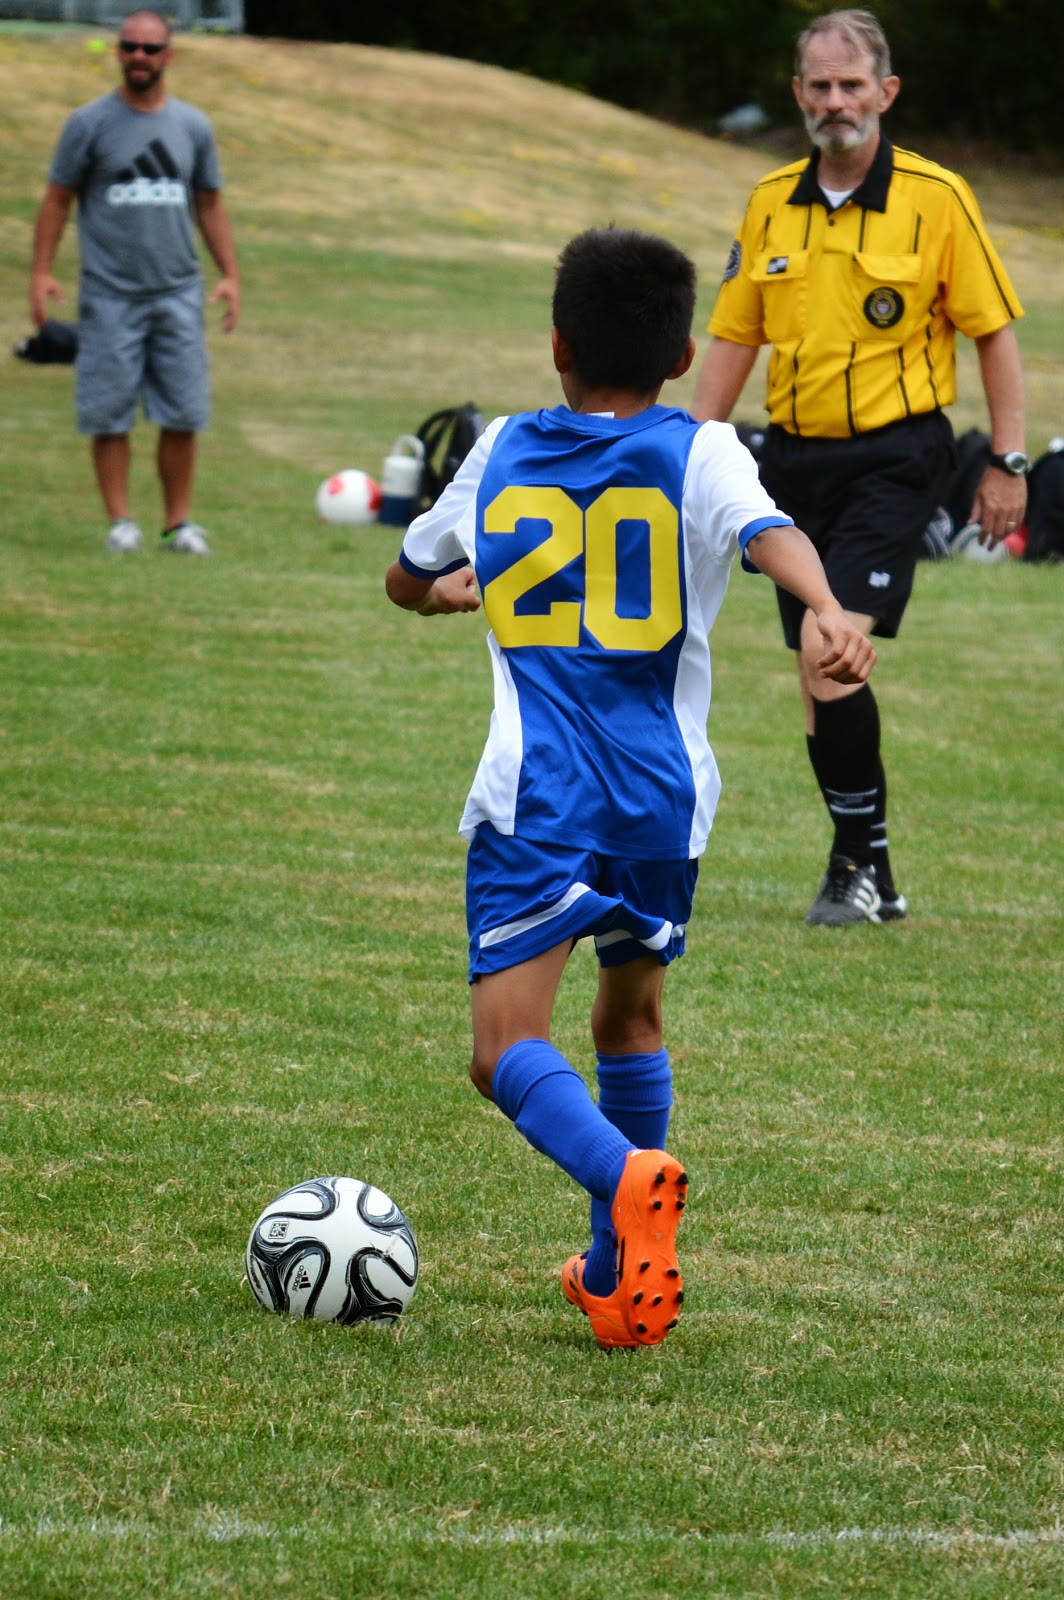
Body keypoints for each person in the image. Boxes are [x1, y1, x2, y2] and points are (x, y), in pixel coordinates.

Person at [385, 227, 875, 1350]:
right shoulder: (700, 449)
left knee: (503, 1047)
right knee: (628, 1012)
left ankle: (622, 1181)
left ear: (555, 341)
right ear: (680, 350)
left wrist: (449, 592)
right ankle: (615, 1279)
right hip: (662, 797)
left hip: (538, 796)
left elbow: (404, 576)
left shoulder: (501, 443)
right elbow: (769, 534)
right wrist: (826, 611)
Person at [690, 7, 1027, 926]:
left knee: (825, 650)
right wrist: (680, 453)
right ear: (798, 95)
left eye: (852, 85)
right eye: (819, 86)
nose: (836, 102)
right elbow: (731, 340)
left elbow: (993, 335)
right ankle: (871, 872)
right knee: (820, 675)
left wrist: (1008, 459)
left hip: (897, 456)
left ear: (887, 93)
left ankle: (856, 870)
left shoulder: (937, 198)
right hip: (790, 465)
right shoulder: (769, 203)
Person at [29, 10, 240, 556]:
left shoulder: (192, 126)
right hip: (109, 293)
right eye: (130, 47)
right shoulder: (89, 123)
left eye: (151, 49)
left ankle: (178, 525)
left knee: (183, 412)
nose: (139, 57)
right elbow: (57, 199)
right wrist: (42, 273)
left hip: (177, 291)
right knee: (109, 411)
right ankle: (121, 523)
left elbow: (210, 203)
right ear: (118, 52)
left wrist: (230, 275)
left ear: (168, 55)